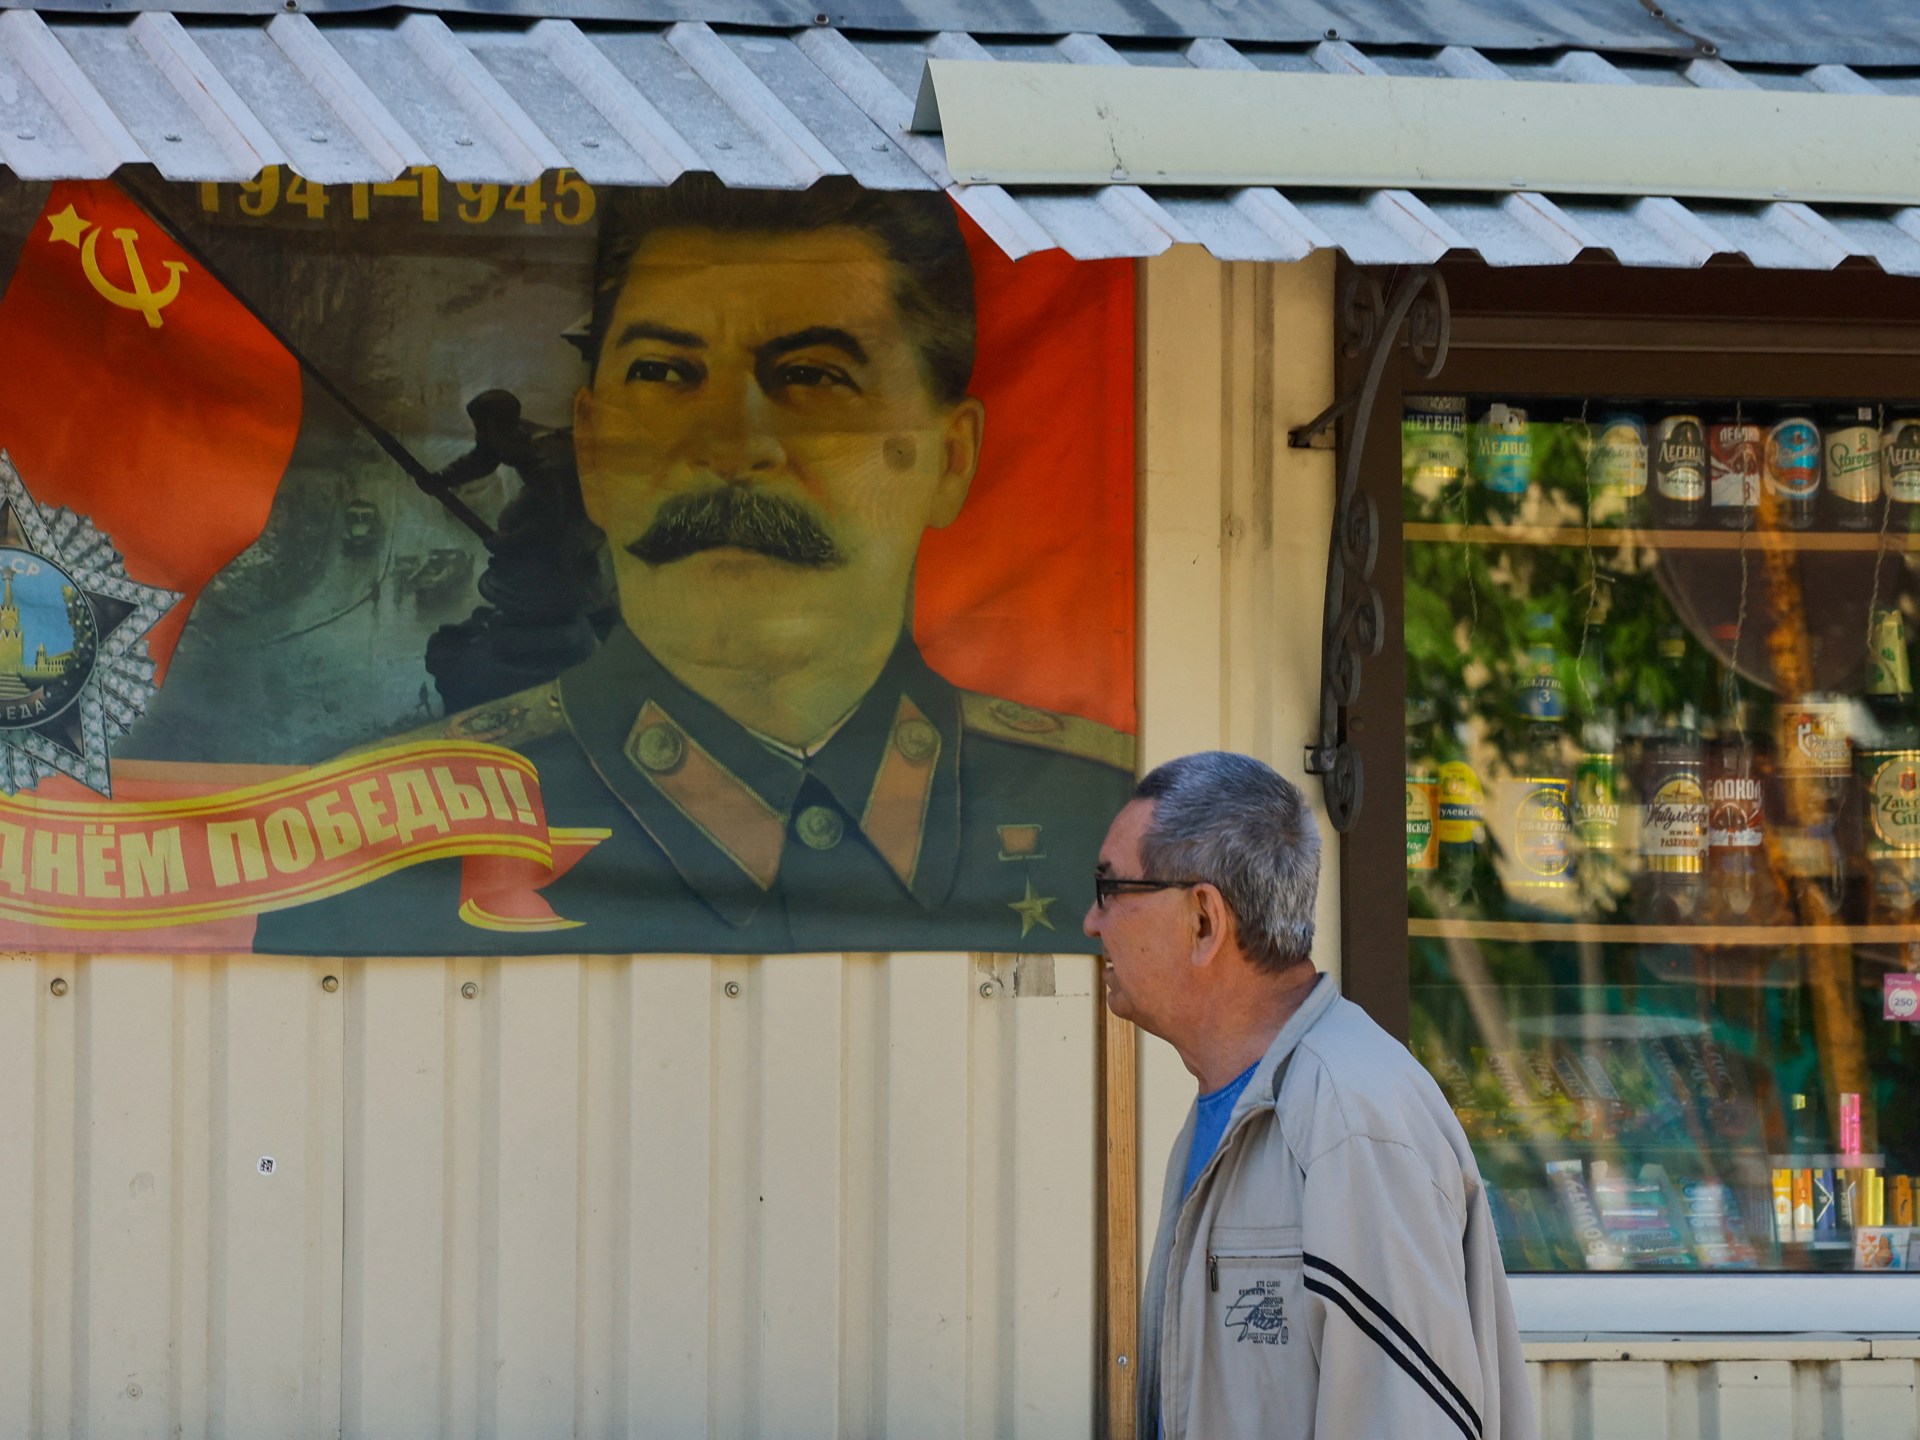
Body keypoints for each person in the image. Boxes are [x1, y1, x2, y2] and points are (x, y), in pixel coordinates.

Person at [257, 177, 1131, 955]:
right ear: (593, 449)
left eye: (814, 376)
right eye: (665, 373)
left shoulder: (1105, 821)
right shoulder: (371, 855)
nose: (731, 446)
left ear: (951, 457)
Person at [1085, 752, 1534, 1440]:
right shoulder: (1246, 1104)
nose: (1092, 921)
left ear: (1203, 920)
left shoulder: (1351, 1123)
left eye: (1110, 888)